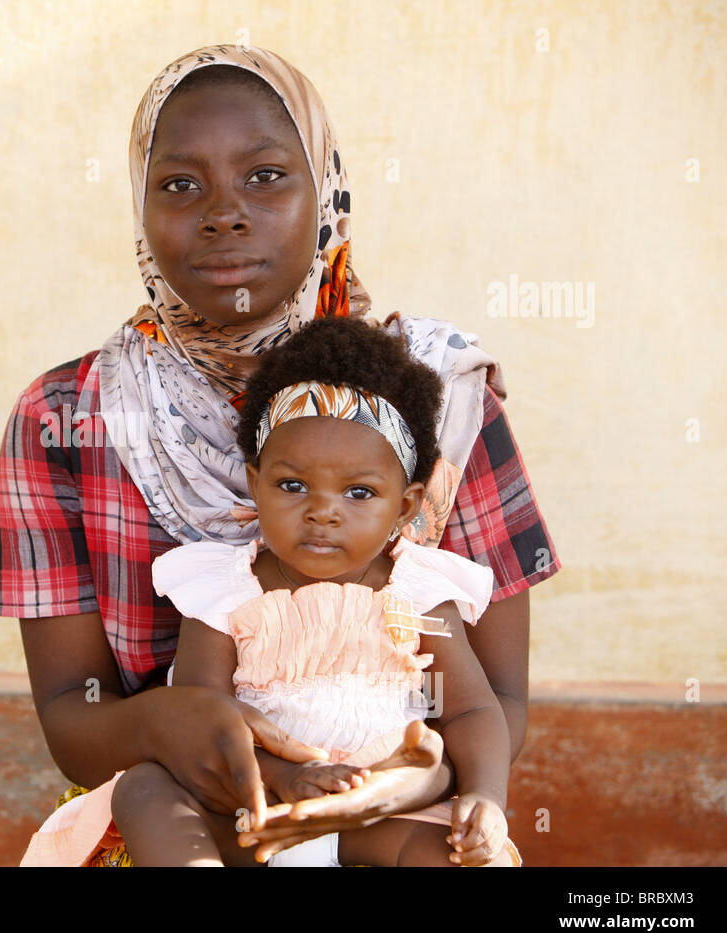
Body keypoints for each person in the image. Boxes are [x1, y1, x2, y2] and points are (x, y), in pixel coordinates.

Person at [0, 45, 559, 865]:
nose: (224, 214)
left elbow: (495, 701)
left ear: (325, 191)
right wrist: (172, 725)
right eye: (179, 184)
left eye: (265, 177)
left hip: (399, 820)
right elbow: (72, 723)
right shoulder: (66, 419)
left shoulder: (441, 399)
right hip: (189, 820)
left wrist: (406, 784)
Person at [41, 317, 517, 866]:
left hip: (382, 814)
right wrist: (283, 776)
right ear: (255, 482)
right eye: (293, 485)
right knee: (143, 790)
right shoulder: (224, 591)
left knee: (453, 852)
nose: (322, 512)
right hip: (252, 809)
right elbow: (204, 723)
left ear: (405, 506)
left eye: (359, 493)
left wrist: (485, 795)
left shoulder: (419, 591)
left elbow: (471, 711)